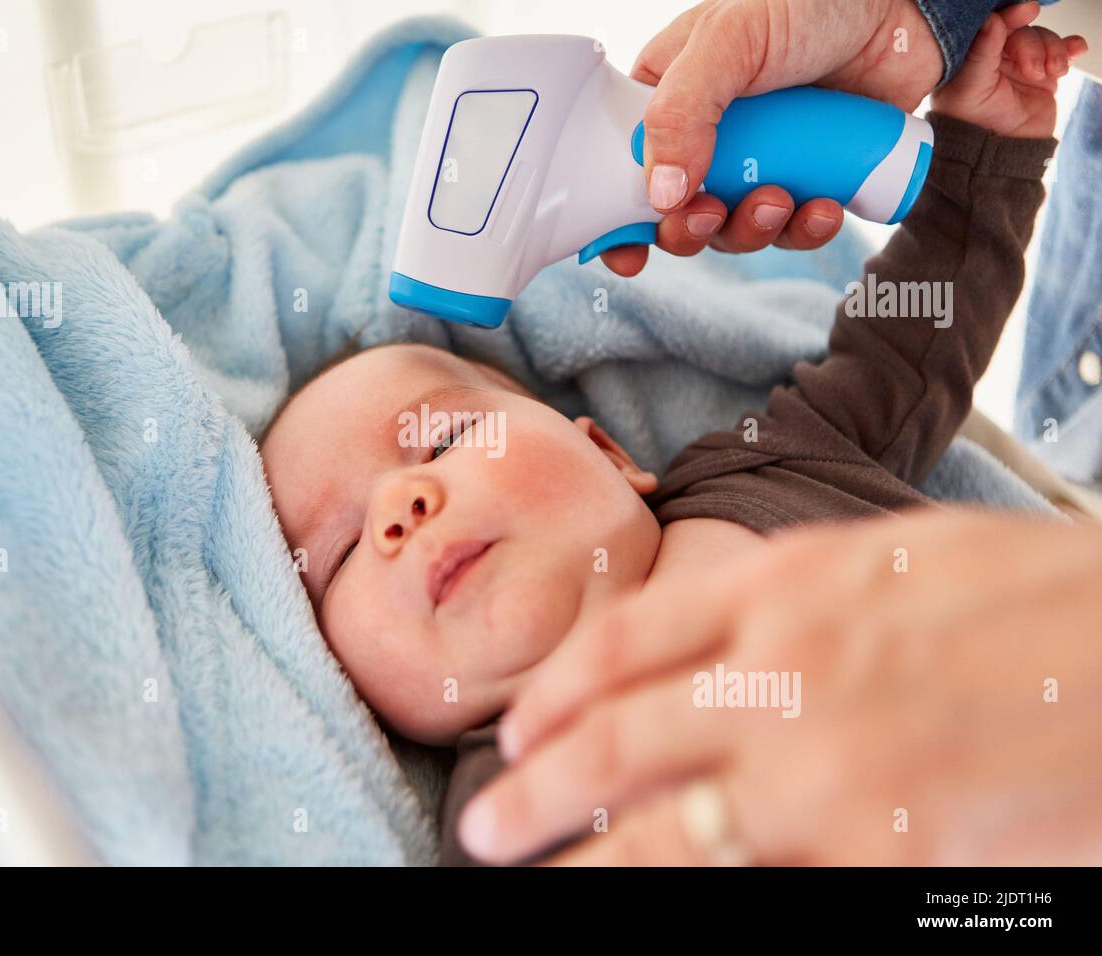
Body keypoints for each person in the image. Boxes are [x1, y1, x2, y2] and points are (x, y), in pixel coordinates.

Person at [259, 9, 1083, 865]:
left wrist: (981, 155)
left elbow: (910, 343)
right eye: (344, 553)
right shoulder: (506, 811)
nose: (400, 505)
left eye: (443, 441)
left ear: (609, 454)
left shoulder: (772, 458)